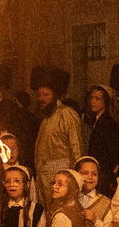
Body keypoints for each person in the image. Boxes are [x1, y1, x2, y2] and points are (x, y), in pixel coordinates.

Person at [31, 67, 83, 207]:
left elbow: (76, 149)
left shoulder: (67, 114)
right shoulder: (45, 117)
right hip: (44, 181)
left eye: (46, 95)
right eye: (39, 94)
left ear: (55, 95)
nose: (41, 98)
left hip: (61, 181)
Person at [84, 85, 119, 197]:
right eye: (92, 98)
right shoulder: (97, 120)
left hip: (103, 173)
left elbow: (112, 152)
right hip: (98, 171)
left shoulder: (108, 123)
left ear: (105, 102)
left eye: (97, 99)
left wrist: (108, 174)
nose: (93, 102)